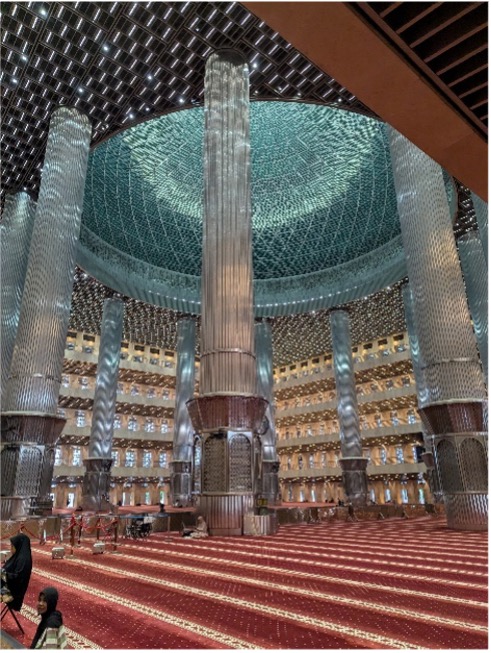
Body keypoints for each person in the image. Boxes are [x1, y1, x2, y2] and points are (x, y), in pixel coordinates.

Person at [1, 533, 32, 611]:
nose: (10, 548)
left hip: (12, 595)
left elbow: (18, 579)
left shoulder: (23, 561)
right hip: (6, 589)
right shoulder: (18, 557)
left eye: (12, 546)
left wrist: (3, 574)